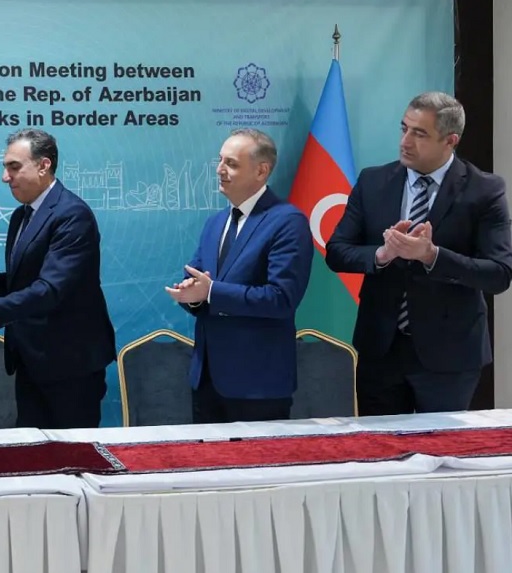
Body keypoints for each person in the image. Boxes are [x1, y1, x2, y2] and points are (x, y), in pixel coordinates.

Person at [326, 92, 512, 415]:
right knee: (380, 445)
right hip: (381, 350)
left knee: (442, 445)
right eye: (404, 129)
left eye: (419, 134)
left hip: (450, 355)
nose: (405, 142)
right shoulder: (372, 181)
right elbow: (337, 252)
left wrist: (432, 256)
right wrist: (382, 254)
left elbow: (498, 273)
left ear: (450, 141)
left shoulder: (484, 190)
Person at [0, 128, 116, 429]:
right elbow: (25, 282)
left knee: (71, 452)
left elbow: (49, 290)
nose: (4, 177)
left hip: (70, 365)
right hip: (31, 360)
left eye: (14, 167)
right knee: (32, 449)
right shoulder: (21, 215)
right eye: (5, 167)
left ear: (44, 165)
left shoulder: (73, 215)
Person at [166, 128, 312, 423]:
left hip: (258, 384)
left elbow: (281, 298)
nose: (220, 170)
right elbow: (199, 279)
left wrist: (210, 292)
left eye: (231, 163)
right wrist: (192, 294)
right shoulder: (215, 222)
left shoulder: (288, 221)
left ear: (261, 171)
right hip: (207, 379)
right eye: (220, 160)